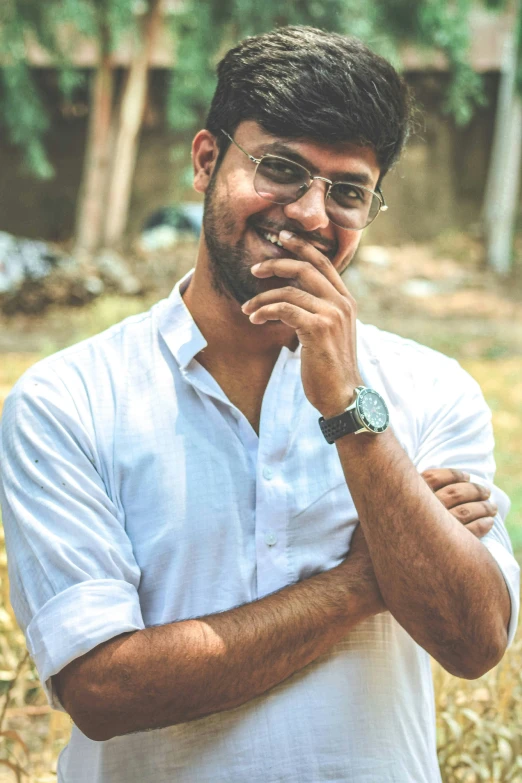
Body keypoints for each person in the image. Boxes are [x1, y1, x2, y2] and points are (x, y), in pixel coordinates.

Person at [0, 25, 519, 783]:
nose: (311, 214)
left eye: (347, 191)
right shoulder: (70, 399)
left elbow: (474, 642)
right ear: (207, 160)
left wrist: (347, 407)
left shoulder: (432, 390)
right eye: (281, 168)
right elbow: (103, 686)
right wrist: (358, 584)